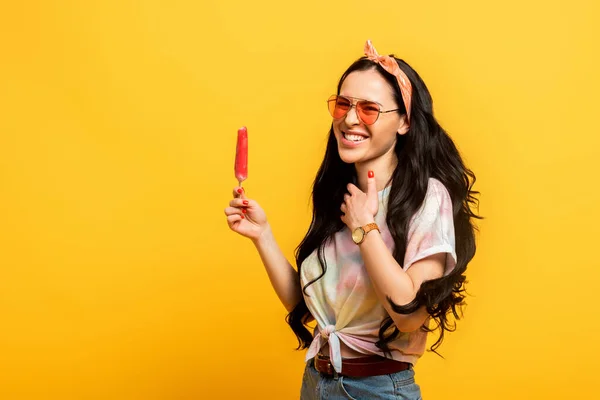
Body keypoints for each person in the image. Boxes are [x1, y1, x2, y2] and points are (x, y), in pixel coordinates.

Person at [224, 40, 480, 399]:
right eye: (343, 104)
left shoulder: (426, 196)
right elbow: (309, 309)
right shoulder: (343, 197)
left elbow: (409, 315)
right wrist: (262, 235)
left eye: (370, 109)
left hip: (376, 389)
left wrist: (366, 229)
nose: (349, 118)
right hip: (317, 382)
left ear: (404, 121)